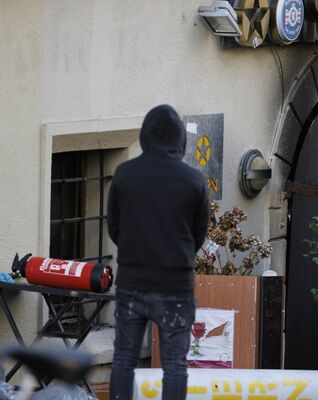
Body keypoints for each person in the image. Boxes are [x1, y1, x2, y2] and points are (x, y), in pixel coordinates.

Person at [108, 104, 210, 400]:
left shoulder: (124, 174)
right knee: (175, 366)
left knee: (124, 360)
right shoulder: (194, 181)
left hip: (132, 283)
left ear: (145, 136)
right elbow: (198, 235)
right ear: (180, 139)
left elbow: (114, 227)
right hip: (175, 287)